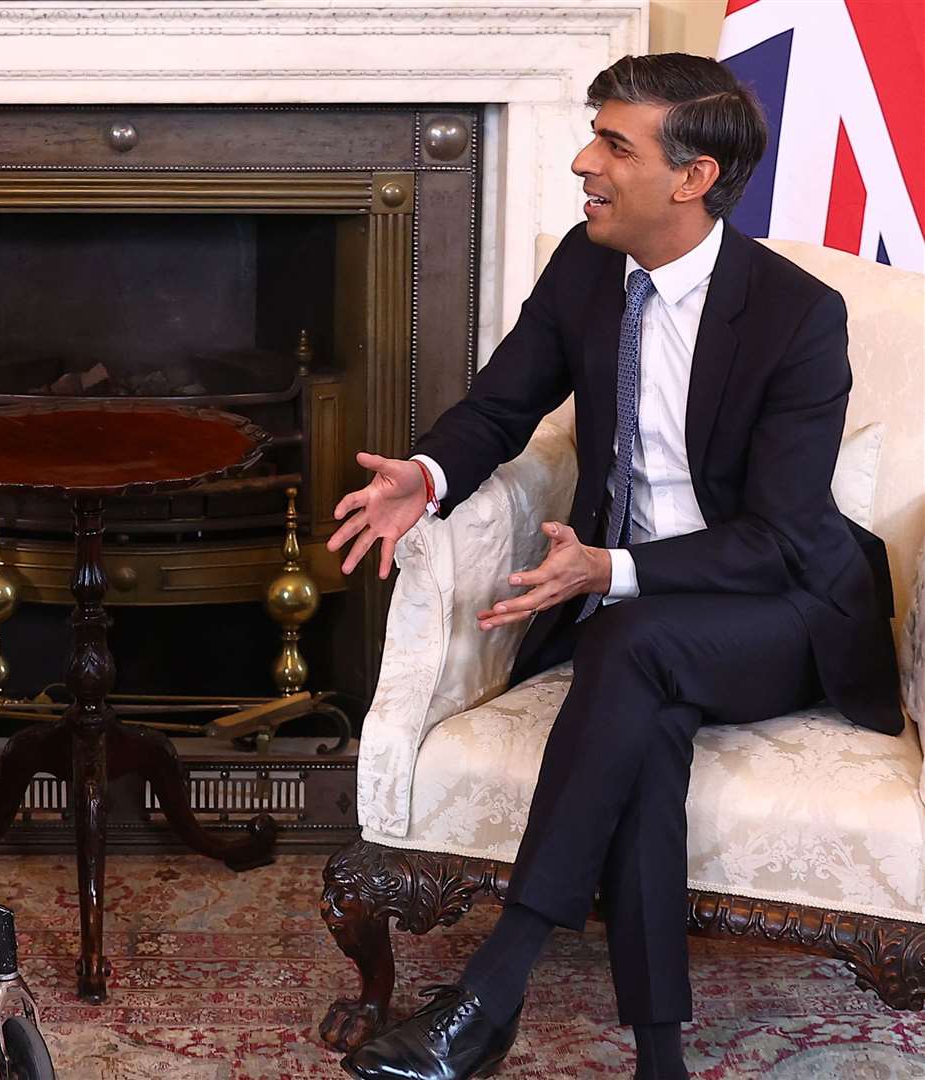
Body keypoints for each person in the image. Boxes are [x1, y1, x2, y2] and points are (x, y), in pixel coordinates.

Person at [327, 53, 900, 1080]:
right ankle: (660, 1061)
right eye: (593, 136)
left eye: (614, 146)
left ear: (690, 177)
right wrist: (424, 473)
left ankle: (491, 991)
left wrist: (610, 572)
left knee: (630, 641)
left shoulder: (794, 317)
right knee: (644, 706)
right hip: (641, 624)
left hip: (777, 607)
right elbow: (500, 405)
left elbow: (775, 534)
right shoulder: (585, 271)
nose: (583, 162)